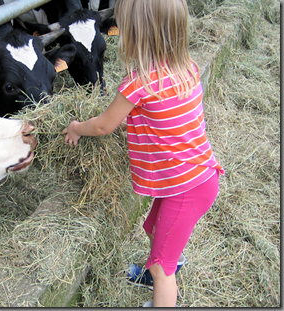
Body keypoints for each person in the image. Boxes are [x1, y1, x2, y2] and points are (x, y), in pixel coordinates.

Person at [61, 0, 224, 307]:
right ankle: (164, 263)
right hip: (194, 176)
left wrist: (75, 127)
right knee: (152, 227)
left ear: (135, 34)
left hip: (186, 186)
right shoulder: (187, 67)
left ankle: (162, 282)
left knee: (162, 267)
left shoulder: (138, 84)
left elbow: (103, 126)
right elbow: (165, 119)